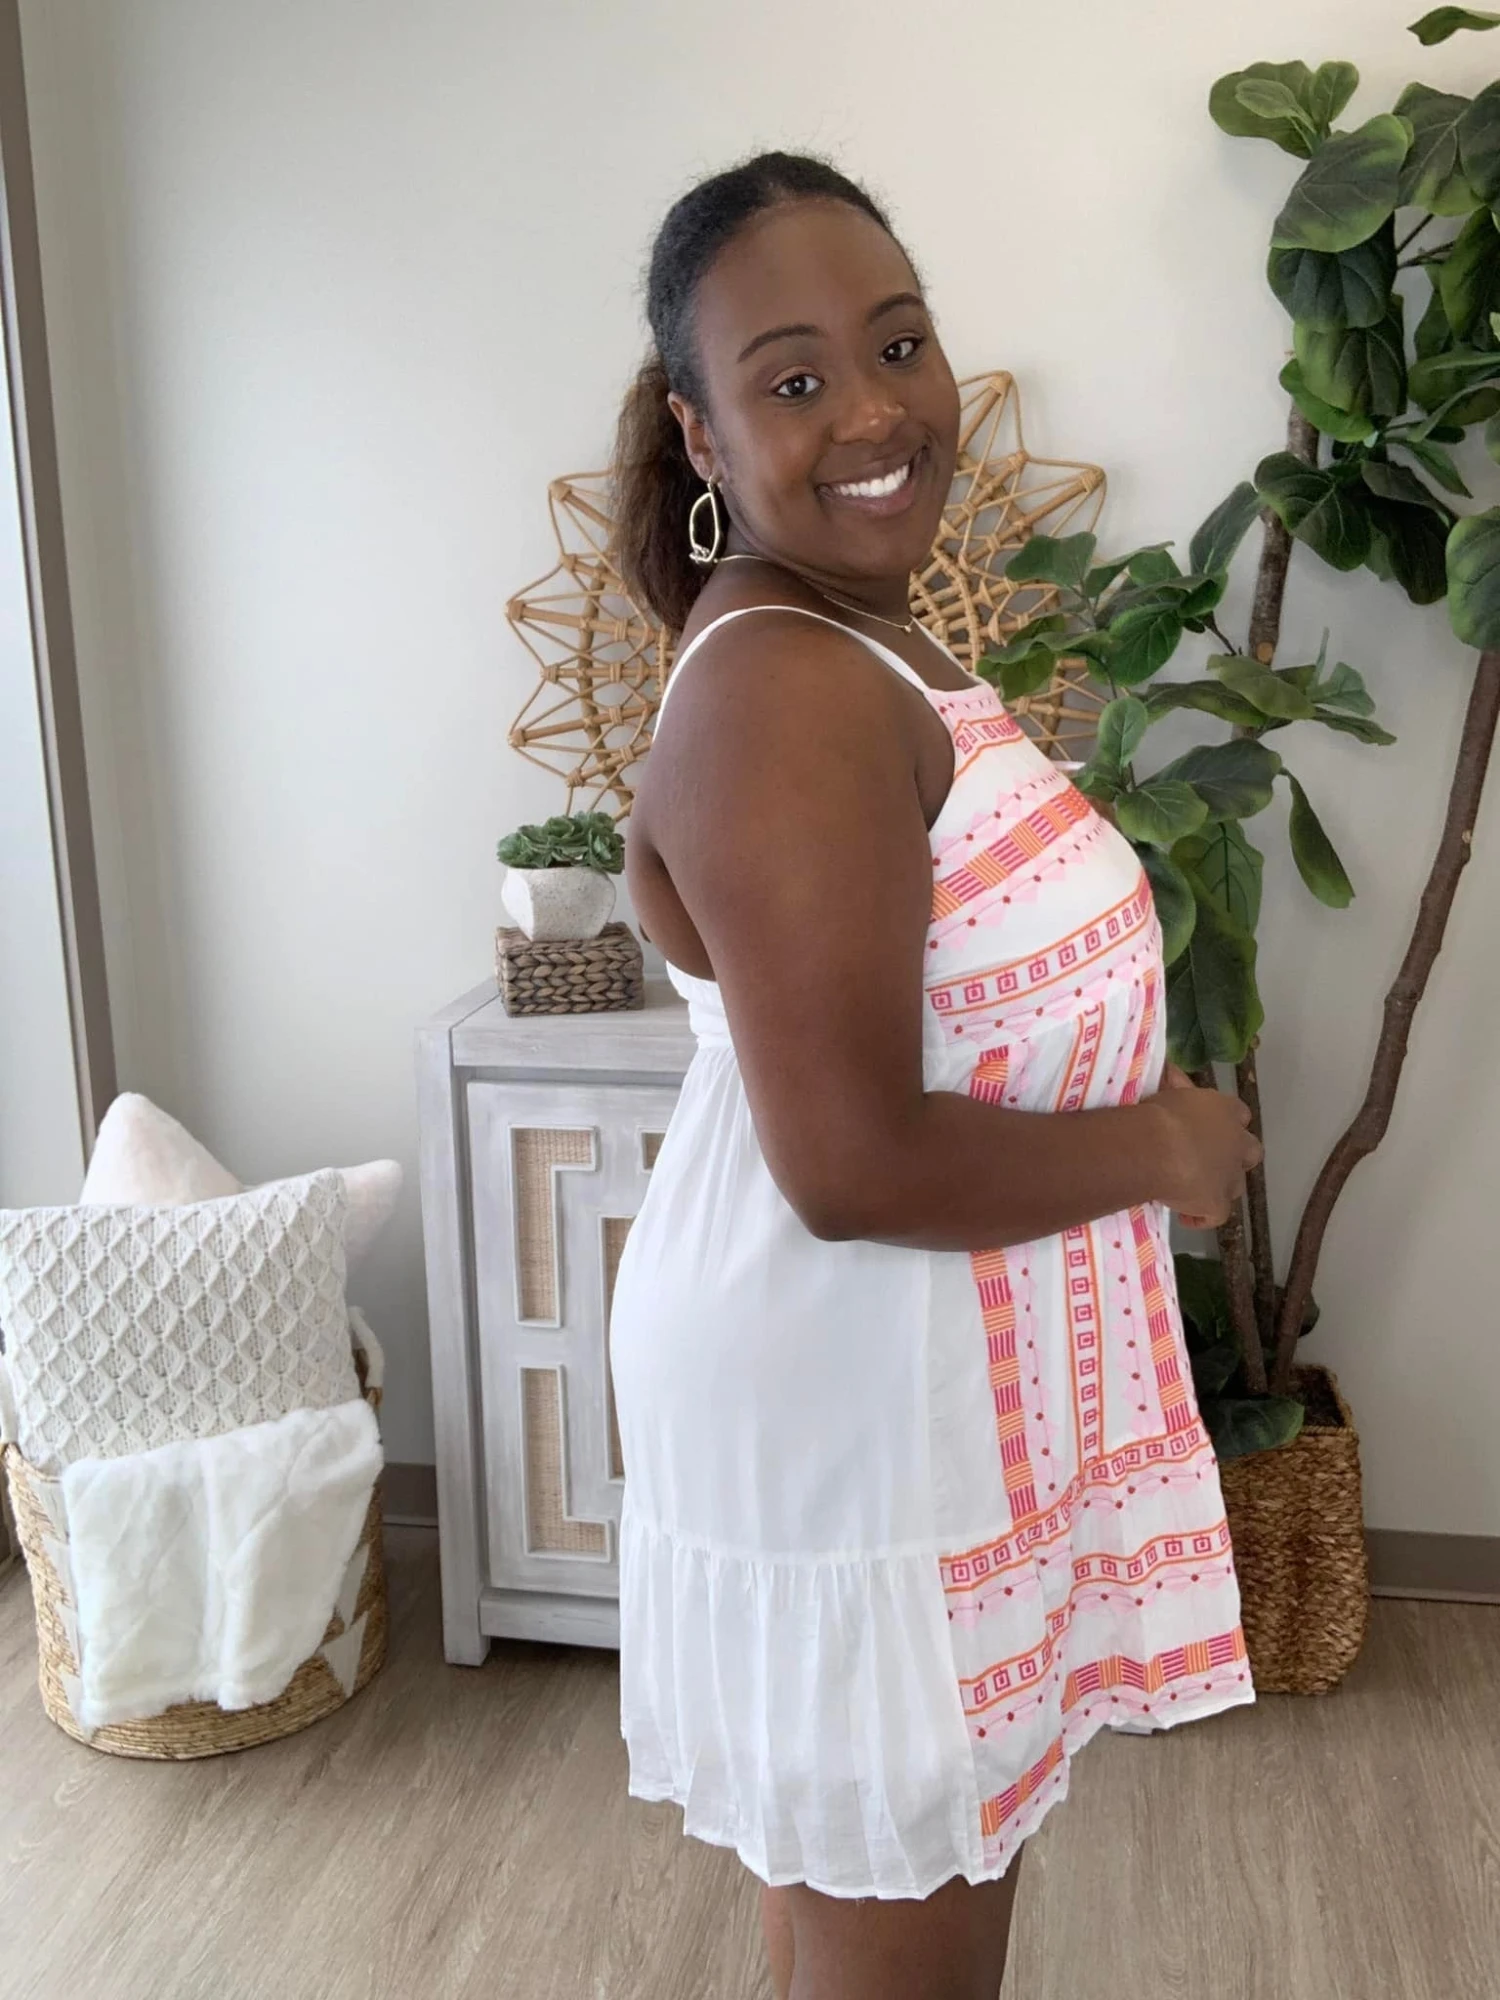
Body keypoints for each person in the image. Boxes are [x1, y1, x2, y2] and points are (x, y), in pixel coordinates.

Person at [607, 151, 1262, 2000]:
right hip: (856, 1415)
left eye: (898, 344)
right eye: (795, 378)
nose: (878, 410)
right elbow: (852, 1164)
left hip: (911, 1382)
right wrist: (1166, 1150)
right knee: (903, 1943)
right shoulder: (782, 688)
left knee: (872, 1913)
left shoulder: (857, 632)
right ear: (702, 431)